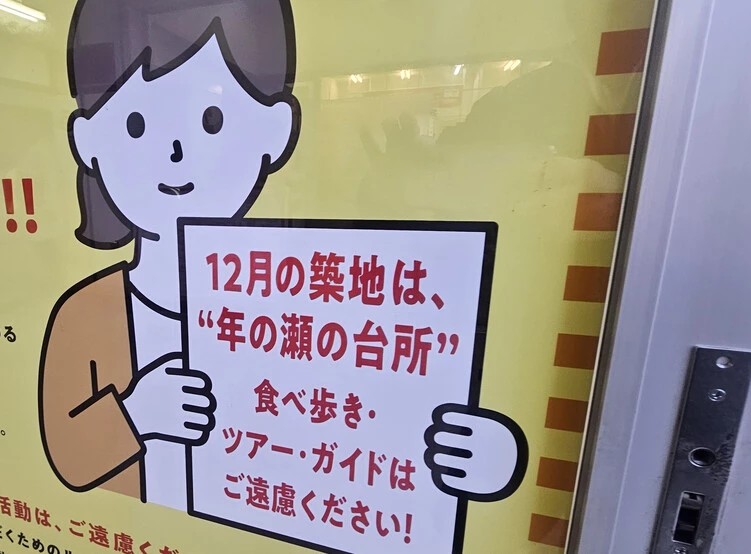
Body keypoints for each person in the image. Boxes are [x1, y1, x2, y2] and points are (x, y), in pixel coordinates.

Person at [40, 0, 527, 516]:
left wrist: (485, 458)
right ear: (86, 142)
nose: (174, 151)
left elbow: (362, 407)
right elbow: (66, 457)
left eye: (211, 120)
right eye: (136, 125)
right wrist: (137, 414)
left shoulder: (305, 302)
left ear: (274, 130)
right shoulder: (88, 311)